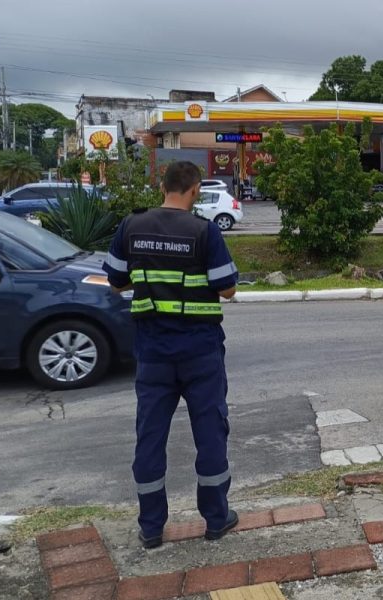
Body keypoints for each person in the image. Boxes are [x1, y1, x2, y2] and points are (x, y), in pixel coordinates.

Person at [103, 161, 240, 549]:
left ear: (162, 187)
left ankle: (150, 527)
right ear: (195, 190)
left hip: (152, 353)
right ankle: (216, 519)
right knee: (210, 435)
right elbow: (227, 289)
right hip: (200, 351)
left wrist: (146, 274)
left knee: (150, 437)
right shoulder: (203, 231)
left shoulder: (132, 226)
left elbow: (116, 283)